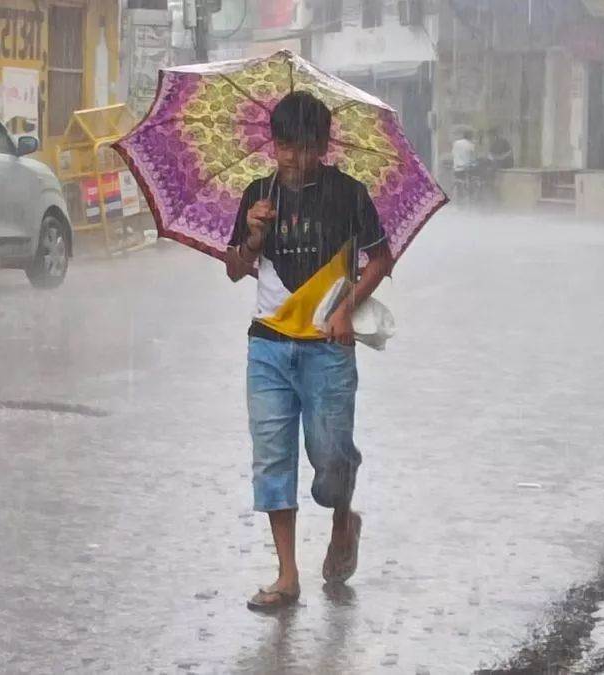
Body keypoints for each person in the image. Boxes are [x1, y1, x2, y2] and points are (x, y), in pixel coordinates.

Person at [224, 91, 394, 613]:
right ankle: (287, 575)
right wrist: (253, 237)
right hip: (268, 348)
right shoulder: (259, 193)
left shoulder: (348, 194)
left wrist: (346, 309)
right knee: (273, 460)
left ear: (323, 146)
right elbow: (234, 269)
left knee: (329, 458)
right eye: (283, 147)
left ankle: (342, 517)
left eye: (303, 148)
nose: (292, 159)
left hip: (327, 350)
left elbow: (381, 259)